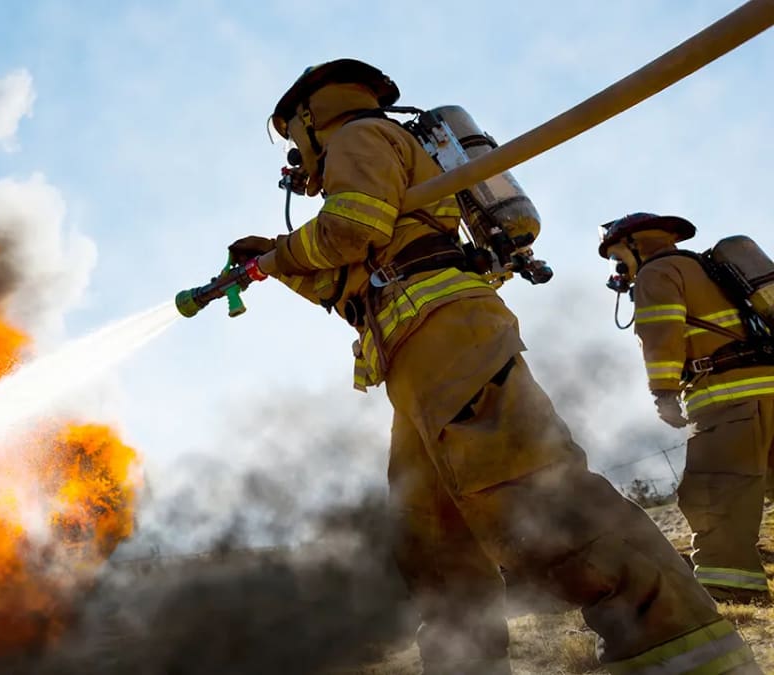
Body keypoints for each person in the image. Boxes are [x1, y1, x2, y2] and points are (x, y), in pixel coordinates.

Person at [228, 59, 760, 674]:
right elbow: (348, 284)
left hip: (450, 341)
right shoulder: (381, 159)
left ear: (308, 117)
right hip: (415, 366)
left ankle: (683, 649)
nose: (296, 156)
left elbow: (349, 230)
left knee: (527, 488)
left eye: (293, 137)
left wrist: (282, 252)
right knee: (431, 535)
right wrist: (273, 262)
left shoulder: (357, 135)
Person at [598, 212, 774, 605]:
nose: (618, 271)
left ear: (634, 245)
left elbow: (661, 334)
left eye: (617, 259)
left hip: (729, 398)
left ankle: (731, 591)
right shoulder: (709, 268)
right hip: (769, 384)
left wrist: (663, 393)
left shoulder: (657, 273)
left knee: (714, 494)